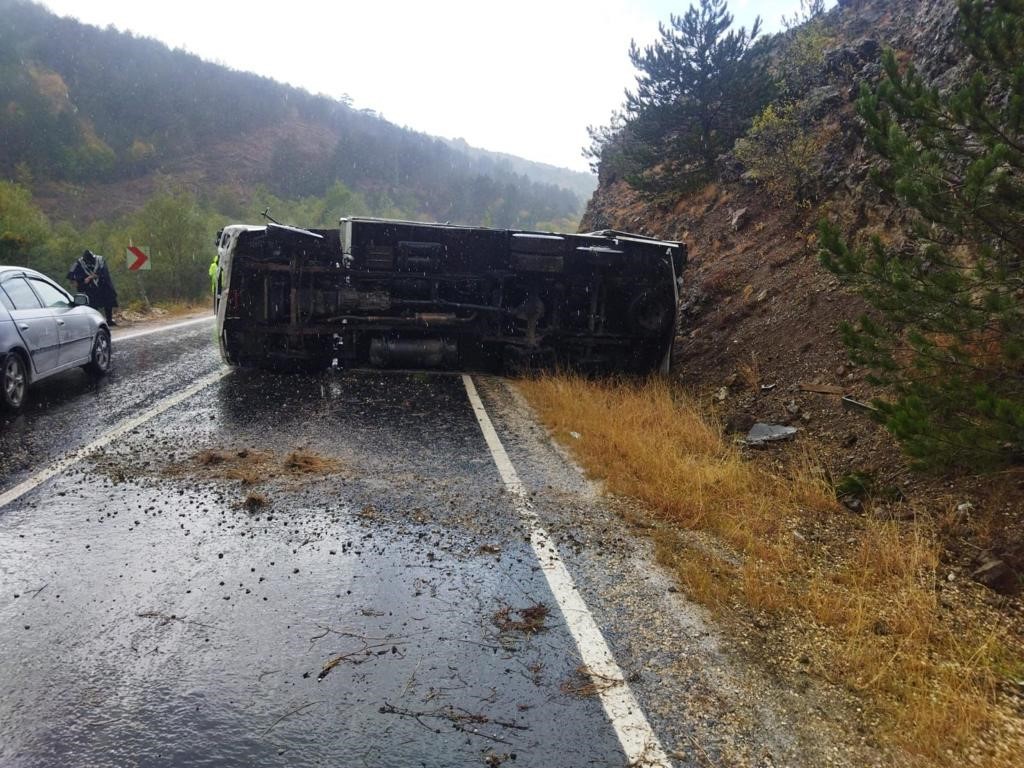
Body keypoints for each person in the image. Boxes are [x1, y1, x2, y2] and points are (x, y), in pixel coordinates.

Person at [68, 250, 118, 325]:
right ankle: (96, 321)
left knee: (108, 302)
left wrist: (90, 277)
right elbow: (71, 272)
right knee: (93, 304)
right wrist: (75, 281)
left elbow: (102, 272)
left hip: (103, 285)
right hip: (90, 287)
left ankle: (109, 320)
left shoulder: (100, 260)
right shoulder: (79, 262)